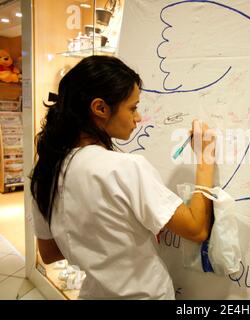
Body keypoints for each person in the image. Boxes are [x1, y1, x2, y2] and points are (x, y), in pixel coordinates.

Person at [30, 55, 216, 299]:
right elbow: (197, 228)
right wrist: (206, 158)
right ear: (100, 108)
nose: (137, 118)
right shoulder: (124, 167)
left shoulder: (44, 172)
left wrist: (101, 238)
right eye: (133, 107)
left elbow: (50, 253)